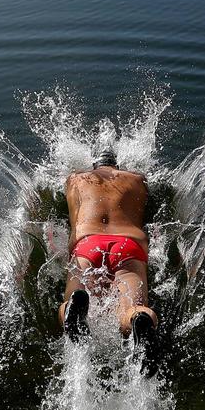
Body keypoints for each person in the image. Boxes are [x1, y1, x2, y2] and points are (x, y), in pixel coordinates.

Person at [59, 149, 159, 372]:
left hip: (88, 243)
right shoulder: (137, 179)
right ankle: (138, 320)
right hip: (128, 244)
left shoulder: (75, 178)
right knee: (133, 307)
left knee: (71, 298)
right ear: (117, 165)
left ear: (94, 164)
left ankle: (74, 306)